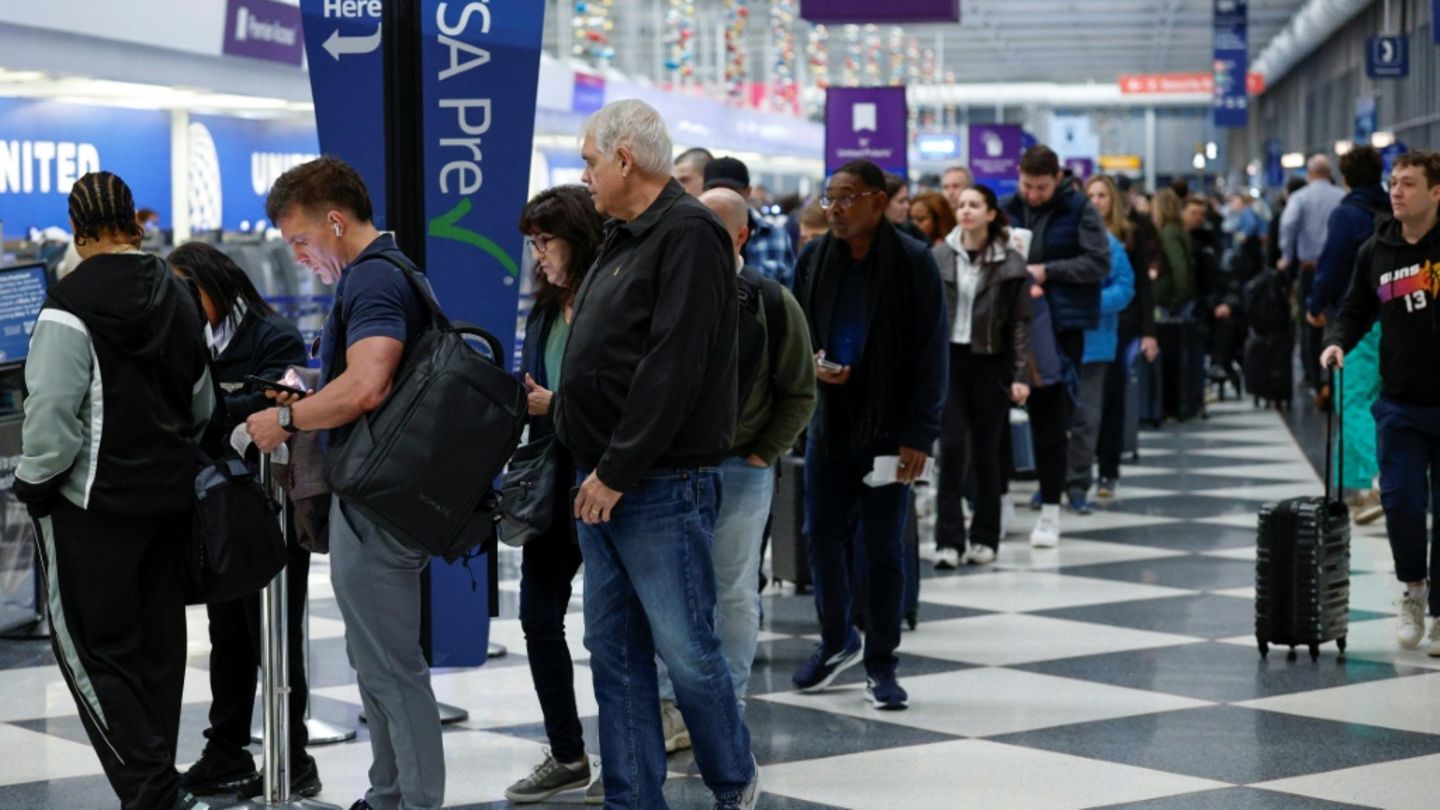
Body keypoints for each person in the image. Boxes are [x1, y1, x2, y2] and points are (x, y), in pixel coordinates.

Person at [555, 99, 759, 809]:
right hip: (602, 481)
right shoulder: (621, 233)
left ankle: (734, 780)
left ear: (623, 159)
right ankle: (633, 797)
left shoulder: (691, 233)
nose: (584, 175)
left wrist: (617, 468)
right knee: (612, 653)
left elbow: (673, 365)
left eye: (588, 160)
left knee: (687, 655)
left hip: (656, 483)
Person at [246, 158, 442, 810]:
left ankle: (413, 801)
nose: (300, 257)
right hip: (375, 496)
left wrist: (285, 418)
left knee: (392, 667)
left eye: (301, 240)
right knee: (375, 664)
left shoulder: (375, 282)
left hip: (379, 504)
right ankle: (386, 794)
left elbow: (368, 386)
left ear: (334, 220)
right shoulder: (376, 276)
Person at [14, 171, 213, 810]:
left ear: (76, 230)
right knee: (159, 648)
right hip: (170, 504)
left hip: (90, 511)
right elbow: (202, 400)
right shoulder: (180, 296)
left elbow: (49, 418)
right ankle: (160, 781)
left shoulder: (66, 306)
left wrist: (34, 483)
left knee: (95, 656)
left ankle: (155, 794)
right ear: (135, 221)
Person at [656, 187, 816, 739]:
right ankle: (670, 704)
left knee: (731, 589)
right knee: (669, 587)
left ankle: (727, 706)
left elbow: (800, 390)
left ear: (741, 235)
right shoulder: (667, 291)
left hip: (740, 469)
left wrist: (760, 453)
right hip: (671, 468)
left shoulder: (771, 300)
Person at [791, 159, 947, 708]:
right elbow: (797, 335)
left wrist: (919, 435)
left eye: (848, 197)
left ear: (878, 202)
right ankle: (837, 640)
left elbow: (932, 354)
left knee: (882, 549)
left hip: (888, 429)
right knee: (820, 537)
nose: (835, 208)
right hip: (828, 425)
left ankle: (882, 662)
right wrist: (810, 364)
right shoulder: (813, 259)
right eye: (830, 198)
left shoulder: (913, 262)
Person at [168, 243, 319, 801]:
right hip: (214, 510)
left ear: (213, 284)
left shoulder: (271, 336)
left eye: (188, 292)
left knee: (273, 632)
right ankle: (225, 747)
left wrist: (229, 408)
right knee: (226, 632)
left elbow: (278, 408)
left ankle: (293, 753)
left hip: (267, 509)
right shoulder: (182, 340)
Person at [504, 185, 606, 805]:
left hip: (611, 479)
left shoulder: (612, 298)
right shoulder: (544, 310)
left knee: (617, 631)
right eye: (533, 243)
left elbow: (631, 395)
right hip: (551, 481)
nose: (538, 255)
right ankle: (567, 753)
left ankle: (627, 758)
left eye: (547, 241)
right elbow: (533, 388)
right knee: (538, 618)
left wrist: (556, 405)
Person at [1320, 151, 1440, 655]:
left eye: (1409, 184)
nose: (1397, 191)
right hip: (1400, 403)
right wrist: (1337, 342)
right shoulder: (1376, 250)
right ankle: (1413, 591)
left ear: (1435, 193)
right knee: (1402, 503)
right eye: (1393, 182)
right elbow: (1355, 308)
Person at [1001, 145, 1111, 548]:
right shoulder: (1005, 206)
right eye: (1027, 185)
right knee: (997, 417)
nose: (1033, 194)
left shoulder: (1080, 209)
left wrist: (1048, 271)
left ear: (1058, 179)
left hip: (1061, 326)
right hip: (1008, 324)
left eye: (1041, 187)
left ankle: (1051, 508)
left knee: (1053, 419)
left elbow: (1098, 263)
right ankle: (999, 501)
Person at [932, 185, 1031, 569]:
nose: (966, 211)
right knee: (953, 448)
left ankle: (985, 535)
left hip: (991, 360)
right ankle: (948, 540)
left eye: (974, 205)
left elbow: (1020, 324)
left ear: (991, 213)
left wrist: (1021, 374)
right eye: (961, 206)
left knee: (988, 452)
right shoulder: (939, 255)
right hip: (950, 360)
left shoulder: (1010, 262)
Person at [1307, 146, 1390, 524]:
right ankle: (1358, 486)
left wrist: (1316, 302)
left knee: (1351, 398)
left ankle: (1379, 479)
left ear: (1346, 177)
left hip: (1357, 318)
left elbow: (1333, 263)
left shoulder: (1348, 214)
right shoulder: (1390, 211)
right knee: (1371, 396)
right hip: (1392, 314)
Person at [1065, 186, 1135, 513]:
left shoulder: (1112, 246)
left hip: (1096, 344)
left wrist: (1090, 304)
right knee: (1055, 417)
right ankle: (1052, 481)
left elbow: (1125, 289)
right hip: (1059, 341)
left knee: (1086, 417)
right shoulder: (1062, 242)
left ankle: (1078, 482)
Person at [1090, 175, 1158, 499]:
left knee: (1112, 397)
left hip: (1123, 324)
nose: (1096, 201)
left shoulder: (1130, 235)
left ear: (1112, 199)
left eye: (1102, 195)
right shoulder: (1079, 234)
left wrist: (1149, 332)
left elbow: (1142, 285)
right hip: (1087, 326)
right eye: (1091, 195)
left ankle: (1108, 470)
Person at [1281, 154, 1347, 405]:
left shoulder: (1300, 197)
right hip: (1340, 270)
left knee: (1310, 324)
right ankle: (1333, 380)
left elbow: (1288, 225)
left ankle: (1314, 380)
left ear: (1309, 174)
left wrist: (1286, 257)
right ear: (1330, 174)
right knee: (1338, 324)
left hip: (1309, 269)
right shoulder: (1341, 196)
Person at [704, 156, 798, 288]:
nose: (723, 198)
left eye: (731, 190)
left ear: (747, 192)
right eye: (715, 190)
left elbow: (789, 288)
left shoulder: (775, 233)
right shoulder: (693, 233)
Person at [1152, 188, 1196, 314]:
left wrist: (1177, 301)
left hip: (1172, 300)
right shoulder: (1178, 228)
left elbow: (1179, 267)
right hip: (1179, 299)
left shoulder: (1169, 232)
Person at [884, 172, 928, 243]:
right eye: (901, 201)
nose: (907, 206)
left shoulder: (911, 231)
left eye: (907, 200)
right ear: (883, 203)